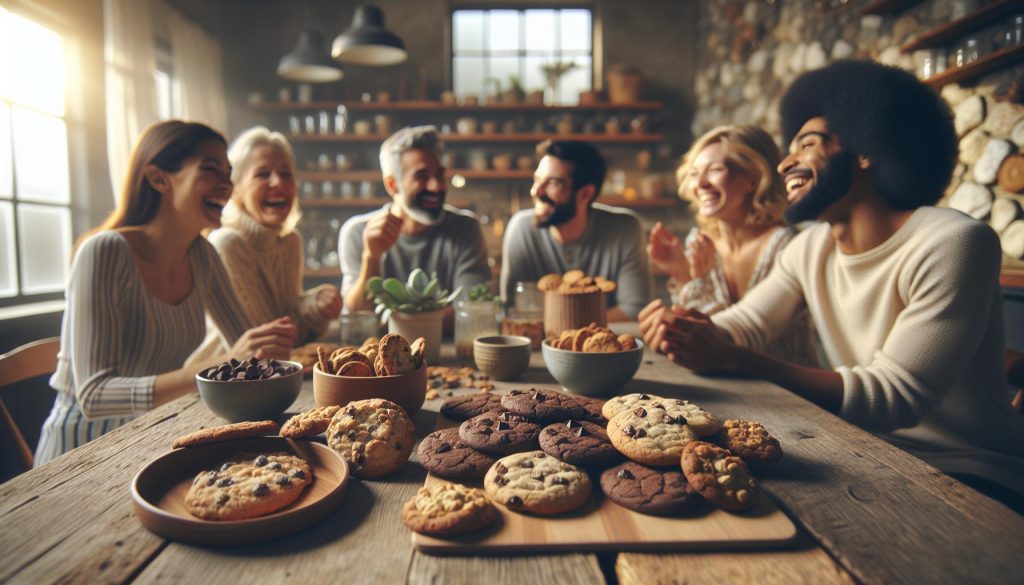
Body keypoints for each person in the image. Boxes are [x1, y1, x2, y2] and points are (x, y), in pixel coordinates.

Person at [644, 60, 1024, 509]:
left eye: (807, 144)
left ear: (865, 149)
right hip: (863, 452)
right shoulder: (811, 247)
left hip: (968, 473)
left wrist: (732, 355)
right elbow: (744, 325)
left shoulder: (953, 241)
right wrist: (686, 327)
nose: (786, 162)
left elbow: (893, 397)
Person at [35, 121, 297, 465]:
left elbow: (248, 353)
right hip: (79, 454)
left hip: (152, 436)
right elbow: (94, 395)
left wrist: (266, 350)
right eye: (210, 169)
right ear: (159, 179)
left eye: (228, 173)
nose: (226, 184)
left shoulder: (203, 255)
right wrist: (222, 361)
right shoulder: (104, 252)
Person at [644, 124, 816, 365]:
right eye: (694, 173)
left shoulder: (785, 245)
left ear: (753, 180)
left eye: (715, 170)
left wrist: (695, 283)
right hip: (724, 381)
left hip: (785, 389)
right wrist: (680, 273)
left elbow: (730, 342)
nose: (700, 183)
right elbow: (698, 342)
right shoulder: (700, 241)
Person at [188, 127, 341, 364]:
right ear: (235, 189)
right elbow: (269, 344)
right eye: (262, 174)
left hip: (274, 373)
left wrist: (315, 305)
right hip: (225, 380)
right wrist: (310, 311)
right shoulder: (227, 243)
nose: (278, 182)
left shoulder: (290, 242)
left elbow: (288, 327)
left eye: (286, 174)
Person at [338, 125, 490, 316]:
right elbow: (358, 317)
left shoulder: (465, 228)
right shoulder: (357, 231)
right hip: (377, 347)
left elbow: (472, 310)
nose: (436, 186)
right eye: (422, 176)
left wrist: (396, 321)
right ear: (392, 185)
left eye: (439, 174)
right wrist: (372, 256)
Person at [500, 140, 652, 321]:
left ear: (585, 194)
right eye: (537, 180)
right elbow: (512, 310)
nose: (536, 191)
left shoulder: (625, 228)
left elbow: (635, 309)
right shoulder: (521, 229)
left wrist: (565, 324)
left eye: (553, 183)